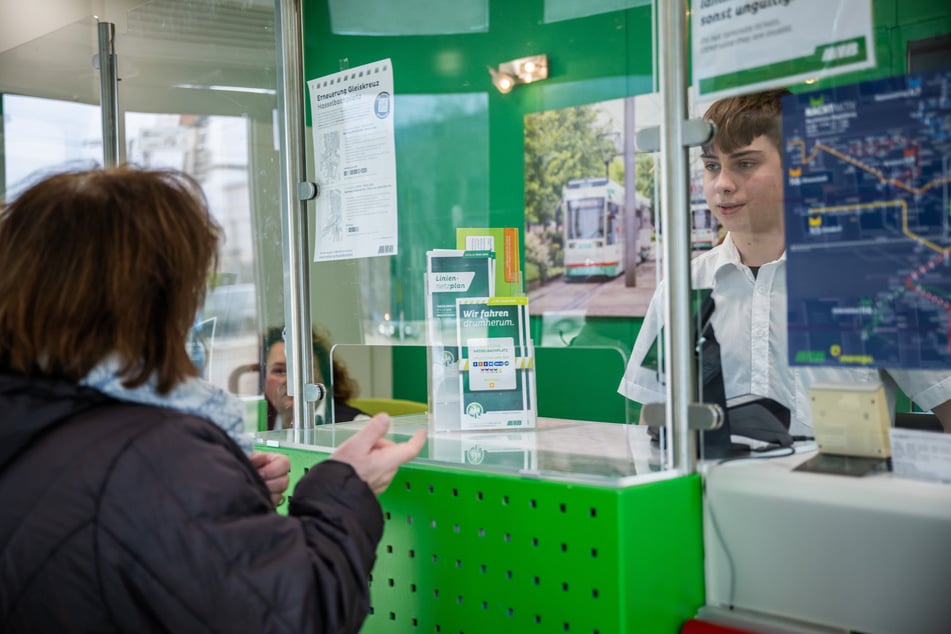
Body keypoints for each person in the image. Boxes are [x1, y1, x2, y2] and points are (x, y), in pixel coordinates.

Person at [0, 166, 426, 632]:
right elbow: (296, 614)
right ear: (158, 300)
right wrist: (343, 489)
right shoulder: (158, 456)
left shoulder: (30, 419)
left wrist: (223, 496)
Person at [618, 89, 951, 436]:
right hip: (715, 490)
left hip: (838, 490)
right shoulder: (684, 288)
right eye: (712, 166)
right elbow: (652, 421)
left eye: (745, 163)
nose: (723, 185)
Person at [264, 326, 368, 429]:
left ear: (325, 376)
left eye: (302, 370)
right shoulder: (257, 425)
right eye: (279, 371)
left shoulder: (359, 426)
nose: (291, 381)